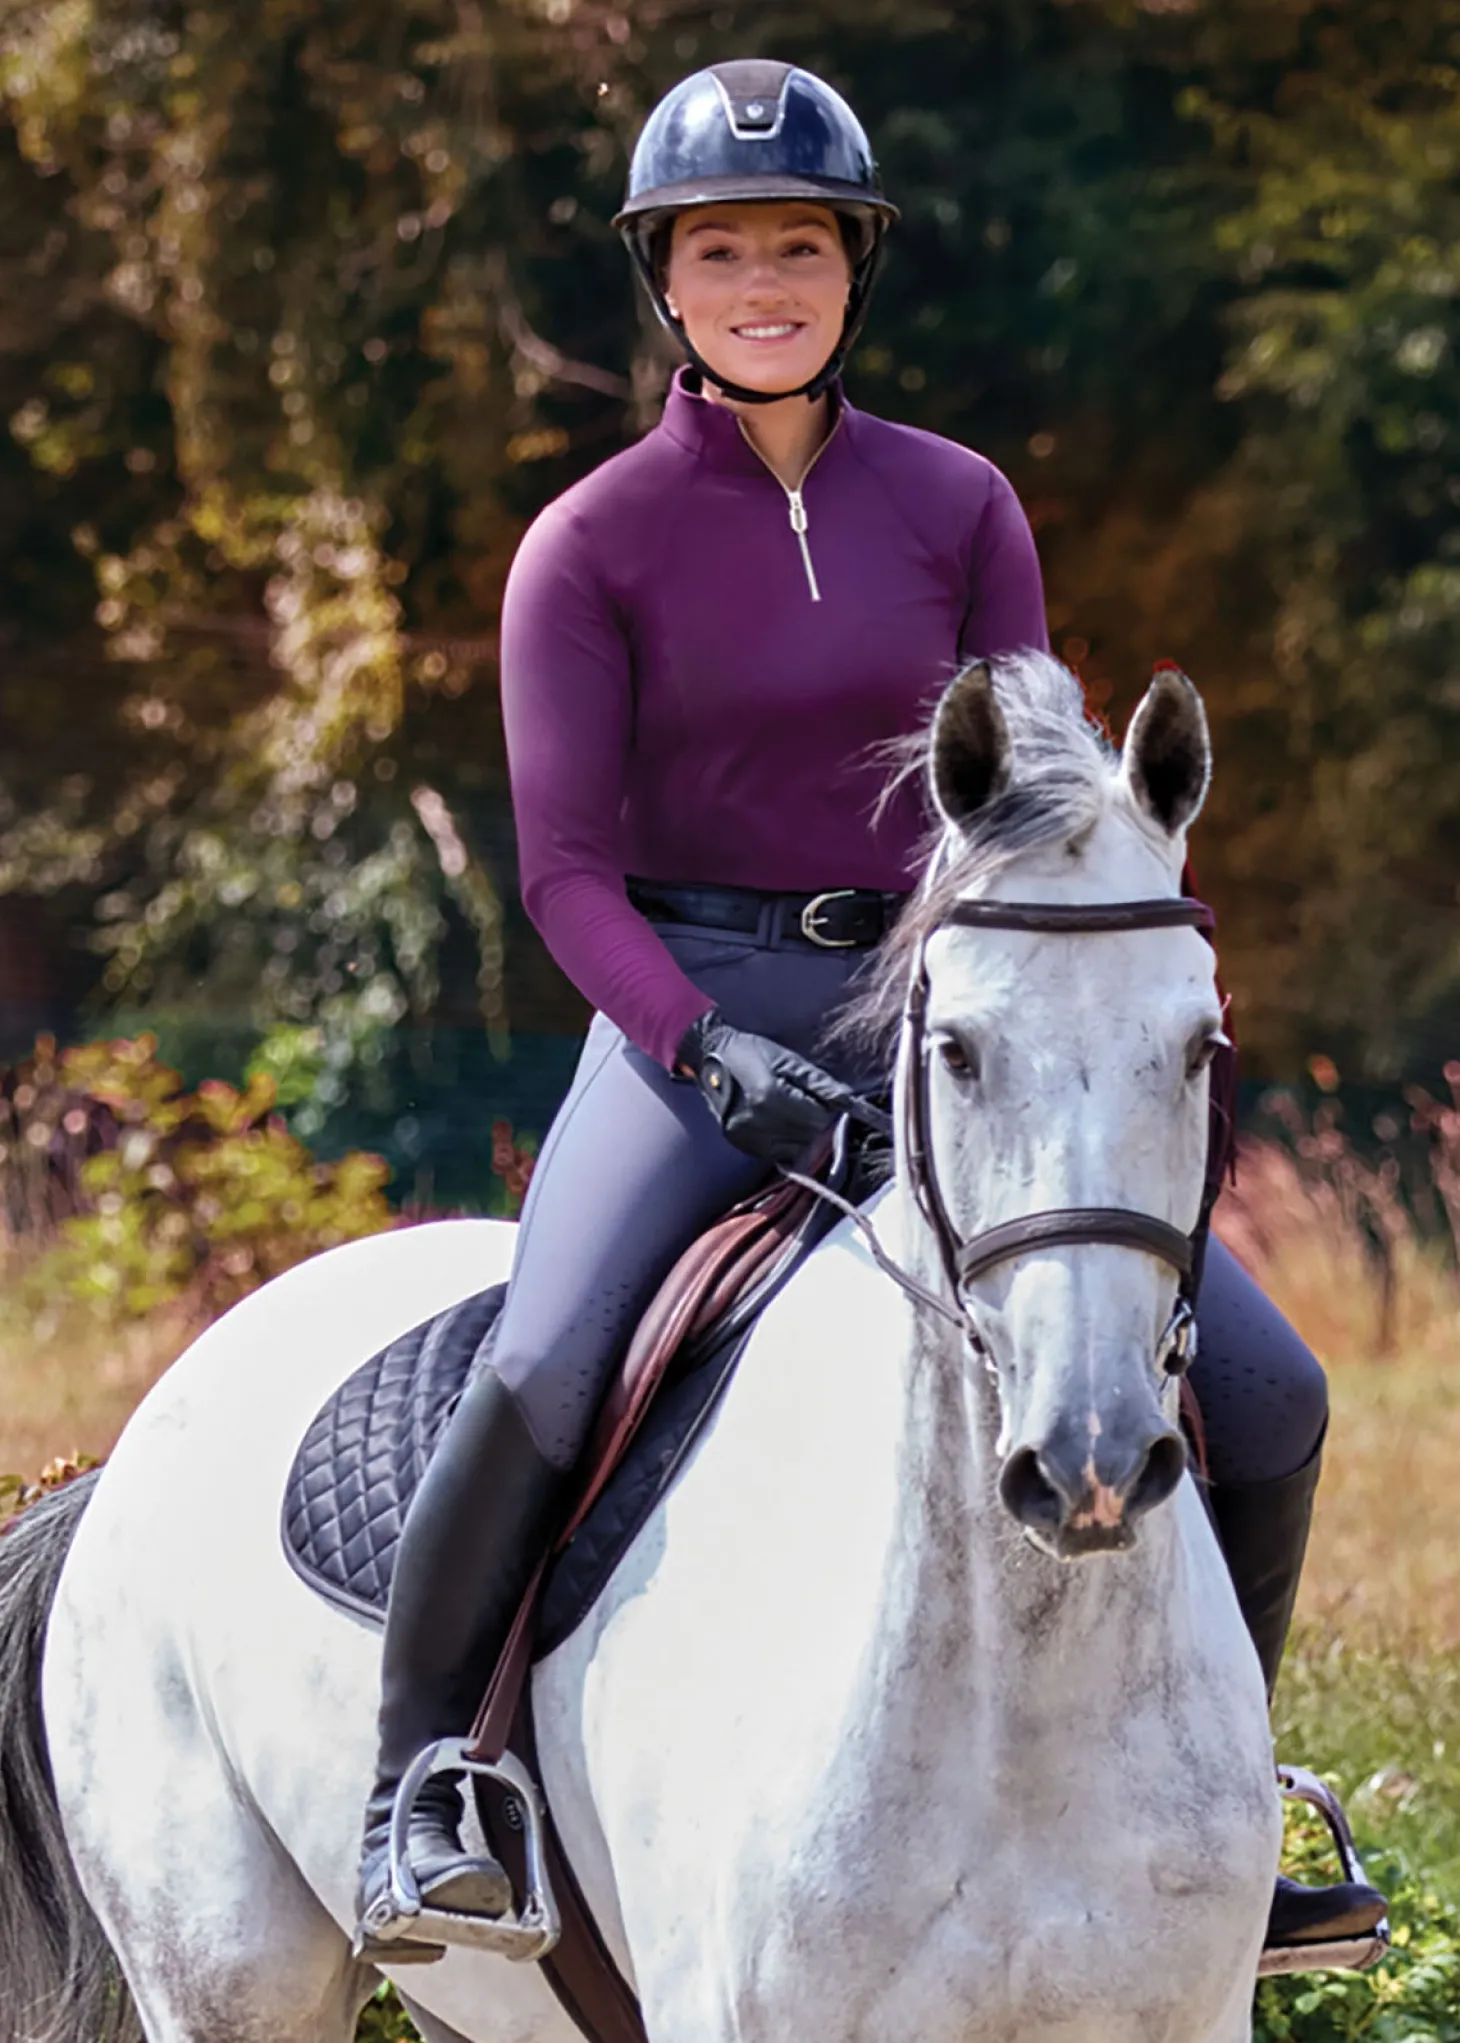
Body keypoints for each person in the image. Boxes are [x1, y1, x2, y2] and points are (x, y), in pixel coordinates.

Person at [354, 57, 1384, 1959]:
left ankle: (1233, 1792)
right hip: (693, 1010)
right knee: (550, 1356)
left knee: (1270, 1387)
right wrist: (701, 1044)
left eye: (801, 249)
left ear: (856, 271)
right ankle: (424, 1780)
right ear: (666, 279)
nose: (765, 286)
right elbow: (564, 871)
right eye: (723, 252)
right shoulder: (588, 542)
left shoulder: (960, 503)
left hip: (946, 1001)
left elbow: (1036, 798)